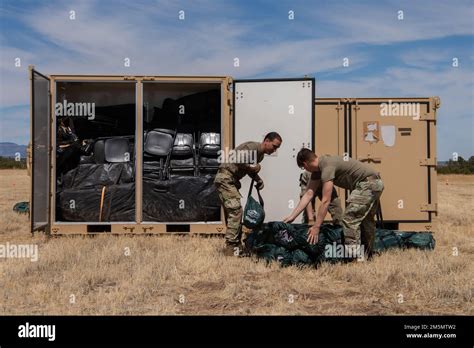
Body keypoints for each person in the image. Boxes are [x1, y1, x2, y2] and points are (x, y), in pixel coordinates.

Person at [284, 149, 384, 258]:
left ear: (305, 163)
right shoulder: (319, 170)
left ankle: (355, 257)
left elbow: (326, 201)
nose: (305, 170)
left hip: (367, 184)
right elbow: (308, 194)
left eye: (303, 168)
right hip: (375, 183)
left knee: (349, 219)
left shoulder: (326, 166)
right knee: (366, 221)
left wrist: (316, 226)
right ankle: (368, 255)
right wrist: (292, 216)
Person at [215, 132, 282, 256]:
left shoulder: (260, 155)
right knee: (236, 211)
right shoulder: (252, 147)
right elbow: (239, 160)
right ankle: (231, 248)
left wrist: (258, 179)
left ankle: (236, 248)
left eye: (277, 148)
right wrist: (253, 168)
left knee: (234, 213)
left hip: (232, 181)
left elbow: (248, 169)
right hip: (225, 178)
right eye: (274, 146)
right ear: (266, 140)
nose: (275, 150)